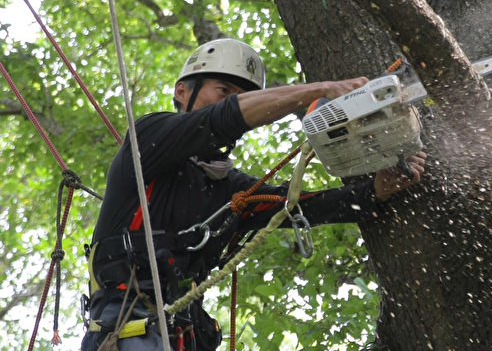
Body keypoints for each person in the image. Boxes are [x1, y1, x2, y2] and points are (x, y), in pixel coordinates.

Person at [81, 38, 427, 350]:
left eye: (241, 94)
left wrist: (375, 191)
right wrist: (319, 90)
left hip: (182, 332)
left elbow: (296, 207)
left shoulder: (229, 189)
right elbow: (221, 119)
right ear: (182, 91)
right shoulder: (148, 140)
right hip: (126, 324)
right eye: (223, 89)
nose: (231, 99)